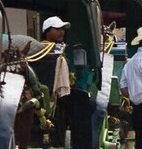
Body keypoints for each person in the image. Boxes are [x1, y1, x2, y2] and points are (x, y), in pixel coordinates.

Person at [34, 16, 99, 149]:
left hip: (58, 93)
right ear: (47, 31)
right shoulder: (39, 50)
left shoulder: (60, 49)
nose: (61, 32)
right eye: (57, 29)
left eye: (62, 29)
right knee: (84, 102)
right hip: (48, 93)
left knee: (87, 101)